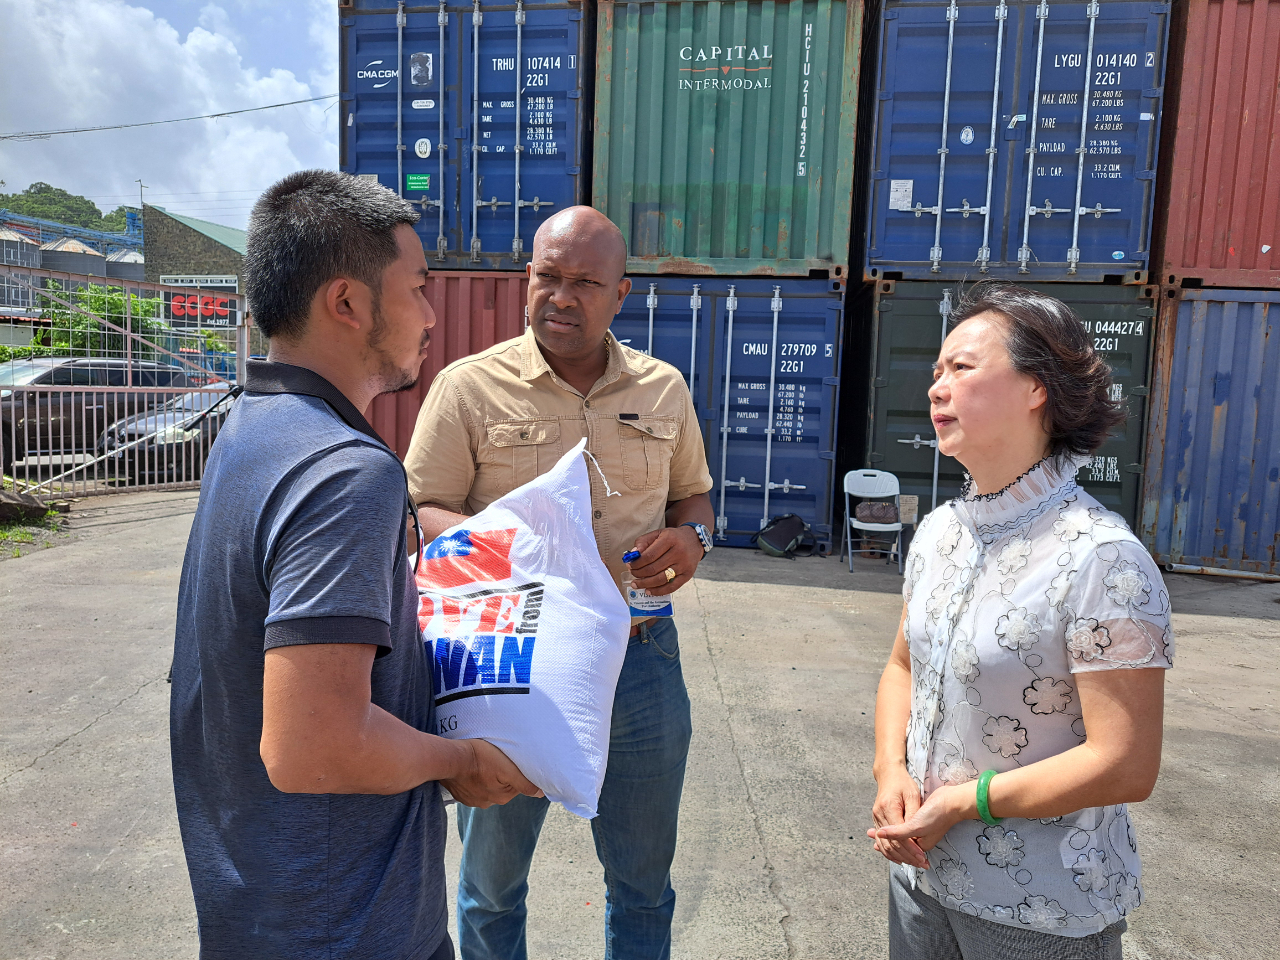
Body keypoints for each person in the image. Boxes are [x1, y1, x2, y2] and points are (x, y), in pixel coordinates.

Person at [170, 170, 540, 960]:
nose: (432, 315)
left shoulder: (252, 429)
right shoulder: (347, 472)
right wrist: (463, 760)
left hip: (258, 910)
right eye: (419, 288)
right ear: (347, 302)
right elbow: (314, 746)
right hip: (346, 928)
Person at [403, 206, 716, 960]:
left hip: (642, 658)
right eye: (547, 277)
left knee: (643, 886)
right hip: (510, 667)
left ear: (622, 293)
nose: (562, 298)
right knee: (491, 887)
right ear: (527, 278)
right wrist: (516, 549)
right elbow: (420, 508)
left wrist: (692, 539)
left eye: (585, 283)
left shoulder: (663, 389)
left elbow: (693, 498)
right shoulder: (469, 388)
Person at [867, 280, 1173, 960]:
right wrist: (891, 771)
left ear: (1037, 387)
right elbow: (902, 667)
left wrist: (963, 801)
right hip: (920, 878)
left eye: (962, 367)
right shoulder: (941, 532)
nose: (936, 387)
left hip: (1039, 910)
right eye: (936, 370)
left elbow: (1125, 763)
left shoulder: (1100, 558)